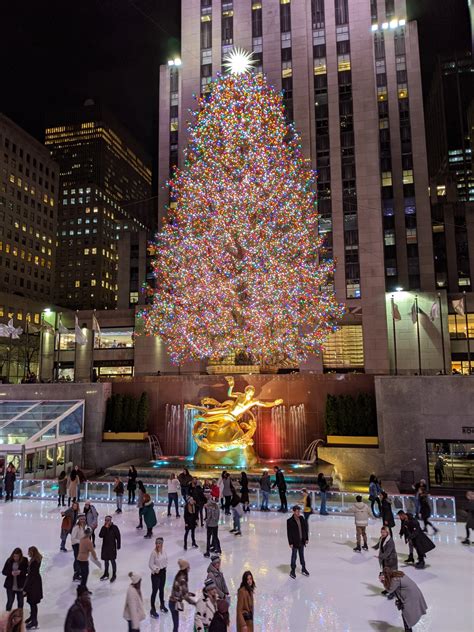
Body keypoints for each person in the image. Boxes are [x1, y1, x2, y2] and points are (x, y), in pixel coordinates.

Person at [380, 567, 427, 632]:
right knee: (406, 615)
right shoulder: (397, 573)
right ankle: (408, 629)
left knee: (406, 615)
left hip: (411, 597)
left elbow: (390, 590)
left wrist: (382, 581)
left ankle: (408, 630)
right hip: (413, 594)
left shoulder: (395, 579)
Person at [168, 559, 196, 632]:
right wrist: (195, 603)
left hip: (172, 602)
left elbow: (180, 590)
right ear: (186, 568)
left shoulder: (179, 574)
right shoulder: (183, 578)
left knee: (176, 624)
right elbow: (185, 596)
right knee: (176, 625)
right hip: (174, 603)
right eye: (188, 567)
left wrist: (189, 593)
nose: (189, 568)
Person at [287, 505, 310, 579]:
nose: (298, 513)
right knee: (294, 557)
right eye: (297, 511)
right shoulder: (289, 521)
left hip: (302, 541)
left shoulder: (301, 518)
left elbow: (305, 529)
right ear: (293, 511)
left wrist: (306, 538)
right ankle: (292, 570)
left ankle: (303, 568)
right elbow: (289, 533)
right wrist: (290, 543)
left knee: (302, 556)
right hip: (294, 542)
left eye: (299, 511)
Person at [375, 526, 398, 597]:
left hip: (391, 561)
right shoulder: (381, 538)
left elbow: (388, 552)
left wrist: (380, 556)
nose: (382, 533)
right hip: (385, 560)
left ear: (387, 532)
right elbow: (380, 547)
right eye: (381, 532)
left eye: (384, 532)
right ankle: (388, 589)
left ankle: (393, 592)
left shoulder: (390, 541)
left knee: (391, 577)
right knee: (385, 576)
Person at [23, 546, 43, 630]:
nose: (28, 554)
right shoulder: (36, 560)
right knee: (32, 602)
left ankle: (34, 621)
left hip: (33, 584)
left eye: (29, 552)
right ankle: (32, 617)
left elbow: (31, 576)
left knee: (33, 603)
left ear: (32, 552)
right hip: (36, 583)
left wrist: (25, 589)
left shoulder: (34, 562)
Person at [149, 537, 168, 619]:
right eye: (157, 543)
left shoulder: (164, 551)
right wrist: (156, 569)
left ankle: (162, 605)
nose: (158, 545)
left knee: (162, 590)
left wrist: (165, 567)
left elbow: (166, 559)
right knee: (155, 591)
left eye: (160, 543)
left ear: (162, 544)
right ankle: (152, 609)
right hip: (156, 574)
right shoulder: (153, 553)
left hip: (163, 572)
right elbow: (150, 564)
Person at [99, 515, 121, 583]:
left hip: (112, 547)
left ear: (111, 520)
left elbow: (118, 537)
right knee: (106, 561)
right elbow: (100, 535)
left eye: (108, 520)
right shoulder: (103, 527)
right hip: (105, 547)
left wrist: (118, 545)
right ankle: (106, 573)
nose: (107, 521)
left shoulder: (115, 527)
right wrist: (105, 528)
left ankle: (114, 574)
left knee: (112, 561)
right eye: (106, 520)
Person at [71, 513, 87, 581]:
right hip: (76, 545)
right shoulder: (76, 527)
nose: (83, 520)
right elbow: (73, 538)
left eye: (83, 519)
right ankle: (76, 575)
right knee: (77, 559)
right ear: (78, 519)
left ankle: (78, 572)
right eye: (81, 519)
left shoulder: (83, 526)